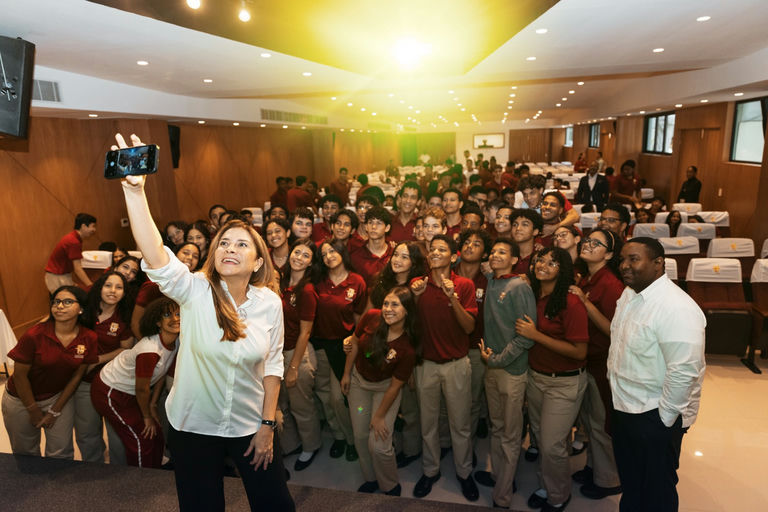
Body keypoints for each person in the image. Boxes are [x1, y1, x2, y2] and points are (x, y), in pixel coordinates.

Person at [117, 133, 294, 511]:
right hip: (193, 426)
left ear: (257, 262)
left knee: (276, 504)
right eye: (224, 243)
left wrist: (268, 425)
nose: (231, 248)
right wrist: (135, 192)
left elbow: (273, 365)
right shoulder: (195, 290)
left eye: (242, 244)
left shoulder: (269, 303)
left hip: (250, 422)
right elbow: (155, 253)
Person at [610, 237, 705, 512]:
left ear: (658, 263)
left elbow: (684, 370)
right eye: (622, 259)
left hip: (654, 414)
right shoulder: (629, 294)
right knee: (632, 482)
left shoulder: (677, 307)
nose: (624, 266)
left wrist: (664, 419)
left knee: (657, 491)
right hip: (625, 407)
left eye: (634, 259)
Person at [516, 247, 589, 512]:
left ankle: (558, 496)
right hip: (536, 377)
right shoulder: (531, 295)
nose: (543, 265)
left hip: (564, 383)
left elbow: (579, 352)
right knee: (542, 437)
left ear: (563, 270)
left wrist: (536, 335)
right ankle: (546, 485)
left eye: (552, 263)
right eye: (540, 260)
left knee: (551, 444)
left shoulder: (570, 302)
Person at [410, 234, 479, 502]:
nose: (435, 253)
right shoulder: (418, 285)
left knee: (460, 424)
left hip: (456, 365)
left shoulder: (464, 285)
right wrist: (415, 298)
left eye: (442, 249)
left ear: (453, 256)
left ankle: (464, 472)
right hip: (426, 365)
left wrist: (453, 298)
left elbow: (469, 327)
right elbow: (410, 326)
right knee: (428, 424)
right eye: (432, 249)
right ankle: (430, 470)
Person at [475, 237, 537, 509]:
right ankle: (499, 477)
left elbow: (527, 337)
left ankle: (503, 495)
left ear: (514, 259)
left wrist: (498, 359)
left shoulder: (519, 287)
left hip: (511, 370)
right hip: (492, 366)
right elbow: (483, 264)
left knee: (511, 435)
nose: (495, 255)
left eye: (502, 252)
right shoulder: (492, 280)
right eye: (493, 251)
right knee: (497, 427)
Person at [2, 286, 98, 459]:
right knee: (26, 453)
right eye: (56, 302)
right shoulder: (34, 335)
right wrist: (32, 409)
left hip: (56, 396)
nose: (60, 306)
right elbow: (19, 376)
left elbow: (77, 376)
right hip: (20, 399)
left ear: (81, 309)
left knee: (61, 452)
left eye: (67, 302)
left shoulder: (89, 337)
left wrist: (55, 410)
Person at [341, 287, 419, 496]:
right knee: (360, 436)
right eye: (386, 303)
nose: (388, 309)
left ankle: (390, 485)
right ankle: (371, 478)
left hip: (385, 390)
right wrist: (346, 374)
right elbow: (354, 342)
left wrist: (379, 416)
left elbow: (395, 386)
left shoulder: (407, 348)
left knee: (378, 444)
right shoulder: (371, 317)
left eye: (395, 305)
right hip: (359, 384)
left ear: (407, 310)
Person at [568, 229, 625, 500]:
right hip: (589, 361)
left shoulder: (611, 284)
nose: (588, 245)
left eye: (597, 243)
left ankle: (609, 479)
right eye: (588, 240)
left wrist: (584, 302)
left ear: (610, 254)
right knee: (591, 422)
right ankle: (594, 468)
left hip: (603, 364)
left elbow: (615, 331)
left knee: (602, 425)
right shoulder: (590, 278)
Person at [90, 297, 180, 468]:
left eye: (179, 314)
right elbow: (142, 389)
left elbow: (161, 374)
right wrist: (146, 416)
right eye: (168, 315)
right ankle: (141, 479)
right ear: (158, 322)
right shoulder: (150, 350)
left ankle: (156, 471)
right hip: (110, 390)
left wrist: (153, 405)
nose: (175, 319)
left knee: (155, 432)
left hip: (130, 391)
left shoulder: (175, 342)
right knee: (140, 438)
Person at [312, 238, 367, 461]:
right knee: (324, 397)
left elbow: (360, 320)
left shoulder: (357, 282)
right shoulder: (317, 281)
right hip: (318, 345)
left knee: (339, 397)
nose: (329, 256)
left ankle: (352, 439)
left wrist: (354, 342)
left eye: (333, 251)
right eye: (324, 254)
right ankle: (339, 436)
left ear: (342, 252)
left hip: (343, 348)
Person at [76, 271, 135, 463]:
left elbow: (126, 348)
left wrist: (97, 360)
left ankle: (118, 471)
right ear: (99, 288)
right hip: (84, 382)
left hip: (112, 383)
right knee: (86, 431)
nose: (113, 291)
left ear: (124, 293)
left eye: (119, 287)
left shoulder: (125, 317)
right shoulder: (84, 311)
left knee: (116, 433)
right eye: (108, 285)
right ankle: (93, 467)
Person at [278, 238, 323, 472]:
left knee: (301, 406)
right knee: (281, 403)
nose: (299, 258)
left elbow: (306, 332)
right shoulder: (280, 281)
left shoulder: (307, 290)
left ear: (311, 263)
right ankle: (292, 444)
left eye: (306, 256)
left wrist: (294, 367)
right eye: (297, 252)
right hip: (276, 352)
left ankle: (311, 446)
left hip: (297, 353)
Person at [131, 242, 200, 338]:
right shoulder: (153, 286)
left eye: (195, 256)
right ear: (174, 255)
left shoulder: (196, 287)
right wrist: (149, 345)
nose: (190, 258)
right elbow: (135, 323)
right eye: (185, 253)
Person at [44, 212, 98, 292]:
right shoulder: (73, 241)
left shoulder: (73, 238)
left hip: (62, 275)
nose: (94, 230)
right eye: (93, 226)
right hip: (57, 277)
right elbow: (78, 269)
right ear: (83, 226)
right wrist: (91, 286)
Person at [349, 206, 394, 286]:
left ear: (387, 228)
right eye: (370, 223)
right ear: (366, 227)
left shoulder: (394, 253)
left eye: (379, 223)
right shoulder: (355, 257)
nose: (374, 227)